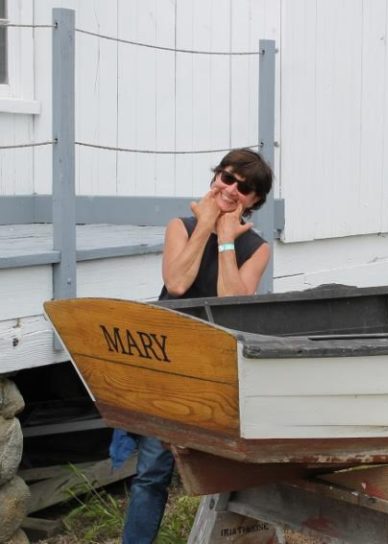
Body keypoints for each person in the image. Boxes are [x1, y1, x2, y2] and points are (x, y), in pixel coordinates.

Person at [119, 148, 273, 543]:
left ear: (255, 200)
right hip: (168, 363)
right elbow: (178, 285)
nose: (232, 189)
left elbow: (232, 306)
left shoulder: (257, 248)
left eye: (245, 187)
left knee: (229, 467)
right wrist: (206, 225)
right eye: (227, 178)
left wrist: (225, 240)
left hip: (217, 366)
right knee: (152, 471)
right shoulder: (181, 226)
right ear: (215, 179)